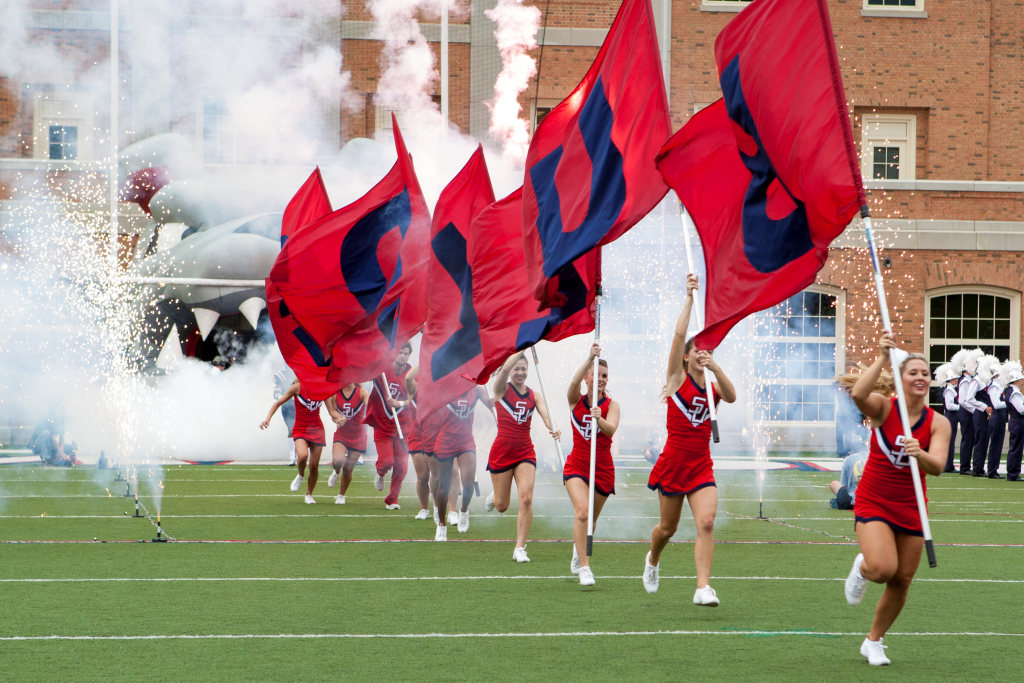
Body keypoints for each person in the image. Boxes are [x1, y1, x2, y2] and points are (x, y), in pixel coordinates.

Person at [843, 331, 951, 666]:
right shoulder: (883, 408)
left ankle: (873, 640)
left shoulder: (939, 423)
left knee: (902, 578)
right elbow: (858, 393)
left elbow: (938, 467)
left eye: (924, 373)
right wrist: (881, 357)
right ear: (901, 378)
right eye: (912, 372)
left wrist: (919, 453)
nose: (920, 377)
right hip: (875, 499)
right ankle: (861, 568)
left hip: (912, 505)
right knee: (882, 568)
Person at [642, 274, 737, 606]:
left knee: (707, 522)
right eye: (697, 350)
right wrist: (688, 298)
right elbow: (680, 335)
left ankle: (702, 587)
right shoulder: (676, 379)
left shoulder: (712, 391)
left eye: (706, 350)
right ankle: (653, 559)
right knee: (667, 529)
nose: (701, 353)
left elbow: (732, 396)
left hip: (700, 466)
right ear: (686, 357)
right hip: (673, 463)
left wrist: (716, 366)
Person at [485, 351, 561, 562]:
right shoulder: (500, 389)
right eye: (516, 369)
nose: (520, 373)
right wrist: (520, 348)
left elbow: (546, 413)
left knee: (526, 498)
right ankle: (494, 496)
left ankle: (520, 547)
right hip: (502, 452)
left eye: (523, 369)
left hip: (525, 452)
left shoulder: (534, 395)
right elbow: (505, 370)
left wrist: (552, 427)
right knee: (502, 506)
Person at [562, 343, 620, 587]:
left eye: (605, 376)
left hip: (603, 470)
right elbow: (573, 385)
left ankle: (578, 551)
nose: (601, 379)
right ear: (588, 377)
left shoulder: (611, 406)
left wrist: (600, 419)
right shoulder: (576, 400)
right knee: (582, 512)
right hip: (576, 465)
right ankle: (585, 567)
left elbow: (611, 429)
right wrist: (589, 358)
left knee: (591, 521)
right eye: (596, 375)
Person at [434, 385, 492, 536]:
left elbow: (493, 405)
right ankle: (441, 524)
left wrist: (495, 397)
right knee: (443, 486)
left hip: (465, 442)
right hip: (445, 441)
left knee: (468, 483)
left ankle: (463, 510)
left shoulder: (477, 390)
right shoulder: (444, 387)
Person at [260, 379, 326, 504]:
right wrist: (267, 419)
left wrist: (338, 417)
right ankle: (300, 475)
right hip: (301, 428)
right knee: (302, 455)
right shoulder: (297, 387)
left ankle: (309, 494)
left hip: (317, 429)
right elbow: (278, 403)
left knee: (314, 466)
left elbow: (332, 410)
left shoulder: (322, 388)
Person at [366, 343, 415, 510]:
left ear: (409, 355)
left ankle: (392, 499)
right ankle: (380, 473)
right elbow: (365, 372)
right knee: (387, 461)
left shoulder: (412, 375)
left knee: (402, 467)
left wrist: (399, 403)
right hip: (382, 424)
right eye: (400, 352)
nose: (402, 356)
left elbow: (416, 399)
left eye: (406, 353)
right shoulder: (382, 370)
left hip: (403, 427)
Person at [404, 367, 445, 523]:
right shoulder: (414, 388)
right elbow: (408, 378)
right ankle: (424, 508)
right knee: (422, 476)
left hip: (435, 434)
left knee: (437, 476)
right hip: (418, 436)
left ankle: (436, 506)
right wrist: (425, 360)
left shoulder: (439, 388)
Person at [324, 382, 369, 504]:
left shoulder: (362, 392)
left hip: (358, 435)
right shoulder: (336, 394)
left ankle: (341, 495)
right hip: (342, 433)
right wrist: (339, 418)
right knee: (338, 461)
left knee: (349, 468)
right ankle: (336, 471)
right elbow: (332, 412)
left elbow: (370, 407)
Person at [955, 349, 984, 474]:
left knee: (970, 438)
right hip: (966, 413)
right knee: (967, 438)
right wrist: (975, 410)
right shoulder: (965, 380)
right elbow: (963, 400)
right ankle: (964, 466)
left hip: (967, 412)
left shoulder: (967, 379)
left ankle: (966, 465)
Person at [971, 355, 998, 476]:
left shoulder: (986, 380)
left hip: (987, 413)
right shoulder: (977, 380)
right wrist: (984, 407)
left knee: (985, 440)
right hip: (980, 413)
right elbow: (968, 398)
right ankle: (977, 468)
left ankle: (980, 467)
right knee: (980, 440)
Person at [933, 362, 959, 472]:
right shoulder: (949, 390)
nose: (957, 380)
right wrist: (961, 407)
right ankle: (948, 465)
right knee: (950, 441)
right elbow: (950, 406)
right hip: (950, 416)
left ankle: (949, 464)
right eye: (955, 378)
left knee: (951, 441)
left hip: (952, 416)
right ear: (951, 379)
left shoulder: (950, 389)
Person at [985, 361, 1008, 478]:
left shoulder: (998, 386)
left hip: (1000, 417)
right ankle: (992, 470)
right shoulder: (994, 386)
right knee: (995, 444)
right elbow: (996, 404)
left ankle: (994, 469)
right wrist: (1008, 403)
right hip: (997, 417)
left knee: (998, 444)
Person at [1002, 362, 1024, 482]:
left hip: (1015, 422)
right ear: (1016, 380)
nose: (1022, 381)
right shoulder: (1014, 392)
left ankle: (1014, 472)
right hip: (1017, 422)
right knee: (1016, 448)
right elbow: (1021, 409)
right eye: (1021, 379)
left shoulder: (1011, 391)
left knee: (1015, 447)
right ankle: (1013, 473)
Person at [273, 366, 298, 465]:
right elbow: (276, 390)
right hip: (288, 405)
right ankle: (292, 457)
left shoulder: (301, 369)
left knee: (303, 430)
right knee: (291, 429)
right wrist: (281, 397)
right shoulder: (281, 374)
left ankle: (302, 454)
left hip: (301, 404)